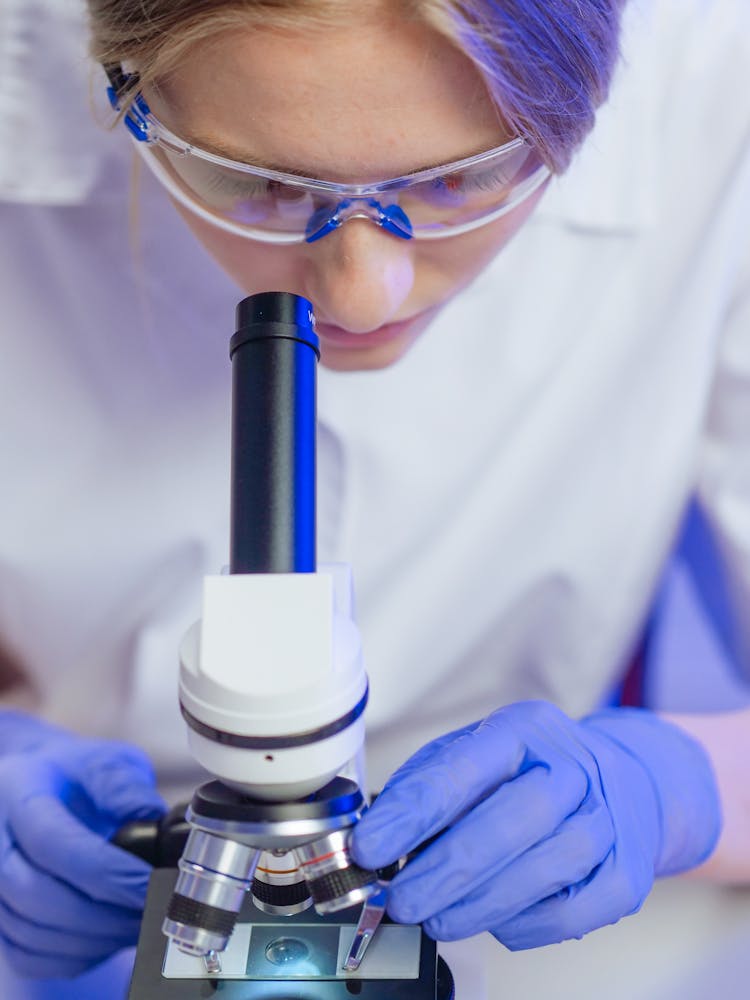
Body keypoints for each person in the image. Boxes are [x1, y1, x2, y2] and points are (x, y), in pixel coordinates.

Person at [0, 0, 748, 992]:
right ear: (127, 96)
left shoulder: (717, 76)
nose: (361, 295)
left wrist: (676, 790)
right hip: (85, 875)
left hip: (522, 889)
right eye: (261, 182)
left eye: (461, 177)